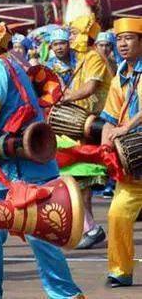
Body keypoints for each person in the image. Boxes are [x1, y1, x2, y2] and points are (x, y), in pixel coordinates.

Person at [0, 22, 83, 299]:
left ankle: (66, 295)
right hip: (9, 168)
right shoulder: (7, 66)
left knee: (40, 235)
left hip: (23, 169)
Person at [46, 18, 112, 249]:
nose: (70, 38)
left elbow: (91, 87)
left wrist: (65, 98)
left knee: (76, 179)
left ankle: (90, 228)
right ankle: (88, 228)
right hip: (82, 126)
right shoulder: (81, 59)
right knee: (78, 180)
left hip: (97, 125)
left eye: (73, 33)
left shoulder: (93, 56)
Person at [100, 17, 142, 288]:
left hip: (134, 139)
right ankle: (120, 270)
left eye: (129, 38)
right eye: (120, 39)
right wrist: (105, 148)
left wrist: (126, 127)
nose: (123, 44)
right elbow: (110, 118)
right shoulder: (120, 78)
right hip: (134, 160)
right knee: (117, 214)